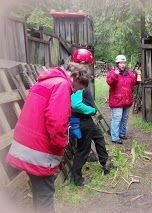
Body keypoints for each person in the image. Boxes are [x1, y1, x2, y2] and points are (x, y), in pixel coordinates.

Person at [6, 66, 73, 213]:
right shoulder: (62, 85)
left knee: (38, 194)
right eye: (77, 88)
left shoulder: (44, 81)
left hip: (26, 148)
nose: (74, 92)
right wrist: (62, 145)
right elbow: (57, 123)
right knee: (45, 198)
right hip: (40, 153)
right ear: (76, 79)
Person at [69, 63, 113, 186]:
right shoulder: (78, 81)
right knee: (83, 149)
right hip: (81, 121)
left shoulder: (76, 79)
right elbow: (76, 104)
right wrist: (92, 111)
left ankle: (105, 163)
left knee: (98, 136)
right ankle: (77, 179)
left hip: (80, 120)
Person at [106, 54, 141, 144]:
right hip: (117, 100)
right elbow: (109, 82)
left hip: (127, 100)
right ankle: (115, 137)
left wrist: (138, 76)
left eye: (124, 63)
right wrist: (115, 75)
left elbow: (134, 82)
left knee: (124, 118)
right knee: (117, 118)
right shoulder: (112, 72)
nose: (123, 65)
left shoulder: (128, 73)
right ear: (117, 64)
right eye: (121, 63)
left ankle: (122, 133)